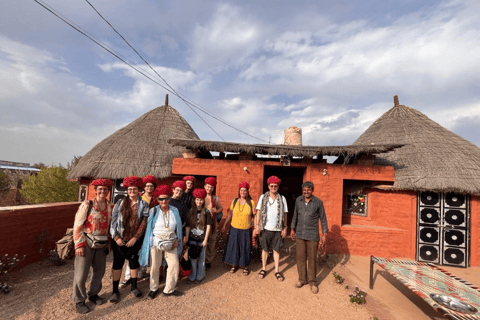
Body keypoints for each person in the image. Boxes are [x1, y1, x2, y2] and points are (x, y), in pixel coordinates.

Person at [72, 179, 114, 314]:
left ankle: (93, 294)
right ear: (95, 190)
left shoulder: (111, 206)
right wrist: (78, 245)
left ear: (109, 191)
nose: (103, 191)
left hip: (101, 243)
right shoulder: (87, 204)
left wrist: (109, 242)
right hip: (86, 242)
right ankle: (79, 300)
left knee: (99, 271)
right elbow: (78, 225)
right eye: (100, 189)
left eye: (105, 189)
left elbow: (110, 227)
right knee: (81, 273)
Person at [139, 184, 183, 299]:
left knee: (174, 265)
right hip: (156, 242)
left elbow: (178, 227)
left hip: (171, 241)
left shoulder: (175, 210)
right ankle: (153, 288)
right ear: (157, 199)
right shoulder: (153, 211)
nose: (164, 201)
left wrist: (177, 239)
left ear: (169, 198)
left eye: (166, 198)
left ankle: (169, 289)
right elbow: (149, 229)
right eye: (161, 199)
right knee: (154, 266)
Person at [109, 176, 149, 302]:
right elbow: (113, 222)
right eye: (130, 189)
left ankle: (134, 287)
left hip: (134, 241)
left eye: (135, 189)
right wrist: (116, 238)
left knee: (133, 263)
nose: (132, 191)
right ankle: (115, 291)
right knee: (117, 264)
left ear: (139, 190)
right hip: (120, 240)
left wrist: (135, 238)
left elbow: (144, 222)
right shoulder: (119, 203)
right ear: (127, 190)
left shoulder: (143, 204)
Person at [290, 181, 328, 294]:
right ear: (303, 191)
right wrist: (292, 228)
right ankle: (302, 279)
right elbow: (295, 215)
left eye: (309, 189)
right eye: (304, 190)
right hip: (300, 234)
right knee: (300, 258)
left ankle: (312, 282)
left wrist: (324, 234)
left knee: (312, 259)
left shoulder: (318, 202)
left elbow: (323, 219)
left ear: (312, 190)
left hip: (312, 234)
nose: (306, 192)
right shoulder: (298, 200)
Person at [121, 174, 158, 288]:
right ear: (144, 188)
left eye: (151, 186)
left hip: (150, 229)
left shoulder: (156, 200)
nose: (149, 188)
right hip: (137, 229)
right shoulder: (140, 198)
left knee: (144, 250)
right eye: (147, 186)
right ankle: (128, 276)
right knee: (132, 253)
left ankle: (141, 273)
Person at [254, 176, 288, 281]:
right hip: (266, 228)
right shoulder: (263, 197)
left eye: (275, 186)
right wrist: (257, 226)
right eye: (271, 186)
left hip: (277, 228)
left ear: (278, 187)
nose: (273, 187)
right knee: (265, 249)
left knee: (276, 250)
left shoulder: (282, 198)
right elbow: (258, 212)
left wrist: (285, 227)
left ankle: (277, 271)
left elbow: (285, 214)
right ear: (268, 186)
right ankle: (264, 268)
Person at [222, 182, 255, 276]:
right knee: (234, 247)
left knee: (245, 247)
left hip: (246, 229)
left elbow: (254, 216)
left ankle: (245, 266)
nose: (243, 192)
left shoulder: (251, 202)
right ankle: (234, 264)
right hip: (234, 228)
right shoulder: (235, 201)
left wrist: (254, 227)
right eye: (241, 190)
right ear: (239, 191)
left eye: (245, 190)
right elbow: (230, 213)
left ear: (247, 191)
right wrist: (225, 224)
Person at [185, 188, 212, 283]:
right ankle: (192, 275)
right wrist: (187, 239)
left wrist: (205, 240)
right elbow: (188, 227)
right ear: (195, 200)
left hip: (202, 239)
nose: (199, 201)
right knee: (192, 257)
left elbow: (208, 226)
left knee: (201, 258)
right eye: (197, 199)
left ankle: (200, 276)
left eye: (201, 199)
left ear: (203, 200)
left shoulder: (206, 212)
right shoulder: (191, 211)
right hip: (192, 238)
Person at [204, 177, 223, 270]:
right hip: (202, 224)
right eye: (208, 187)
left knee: (211, 242)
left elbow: (221, 208)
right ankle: (201, 260)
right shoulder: (200, 197)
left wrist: (216, 211)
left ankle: (208, 260)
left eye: (211, 187)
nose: (209, 189)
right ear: (205, 186)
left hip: (212, 224)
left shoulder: (215, 198)